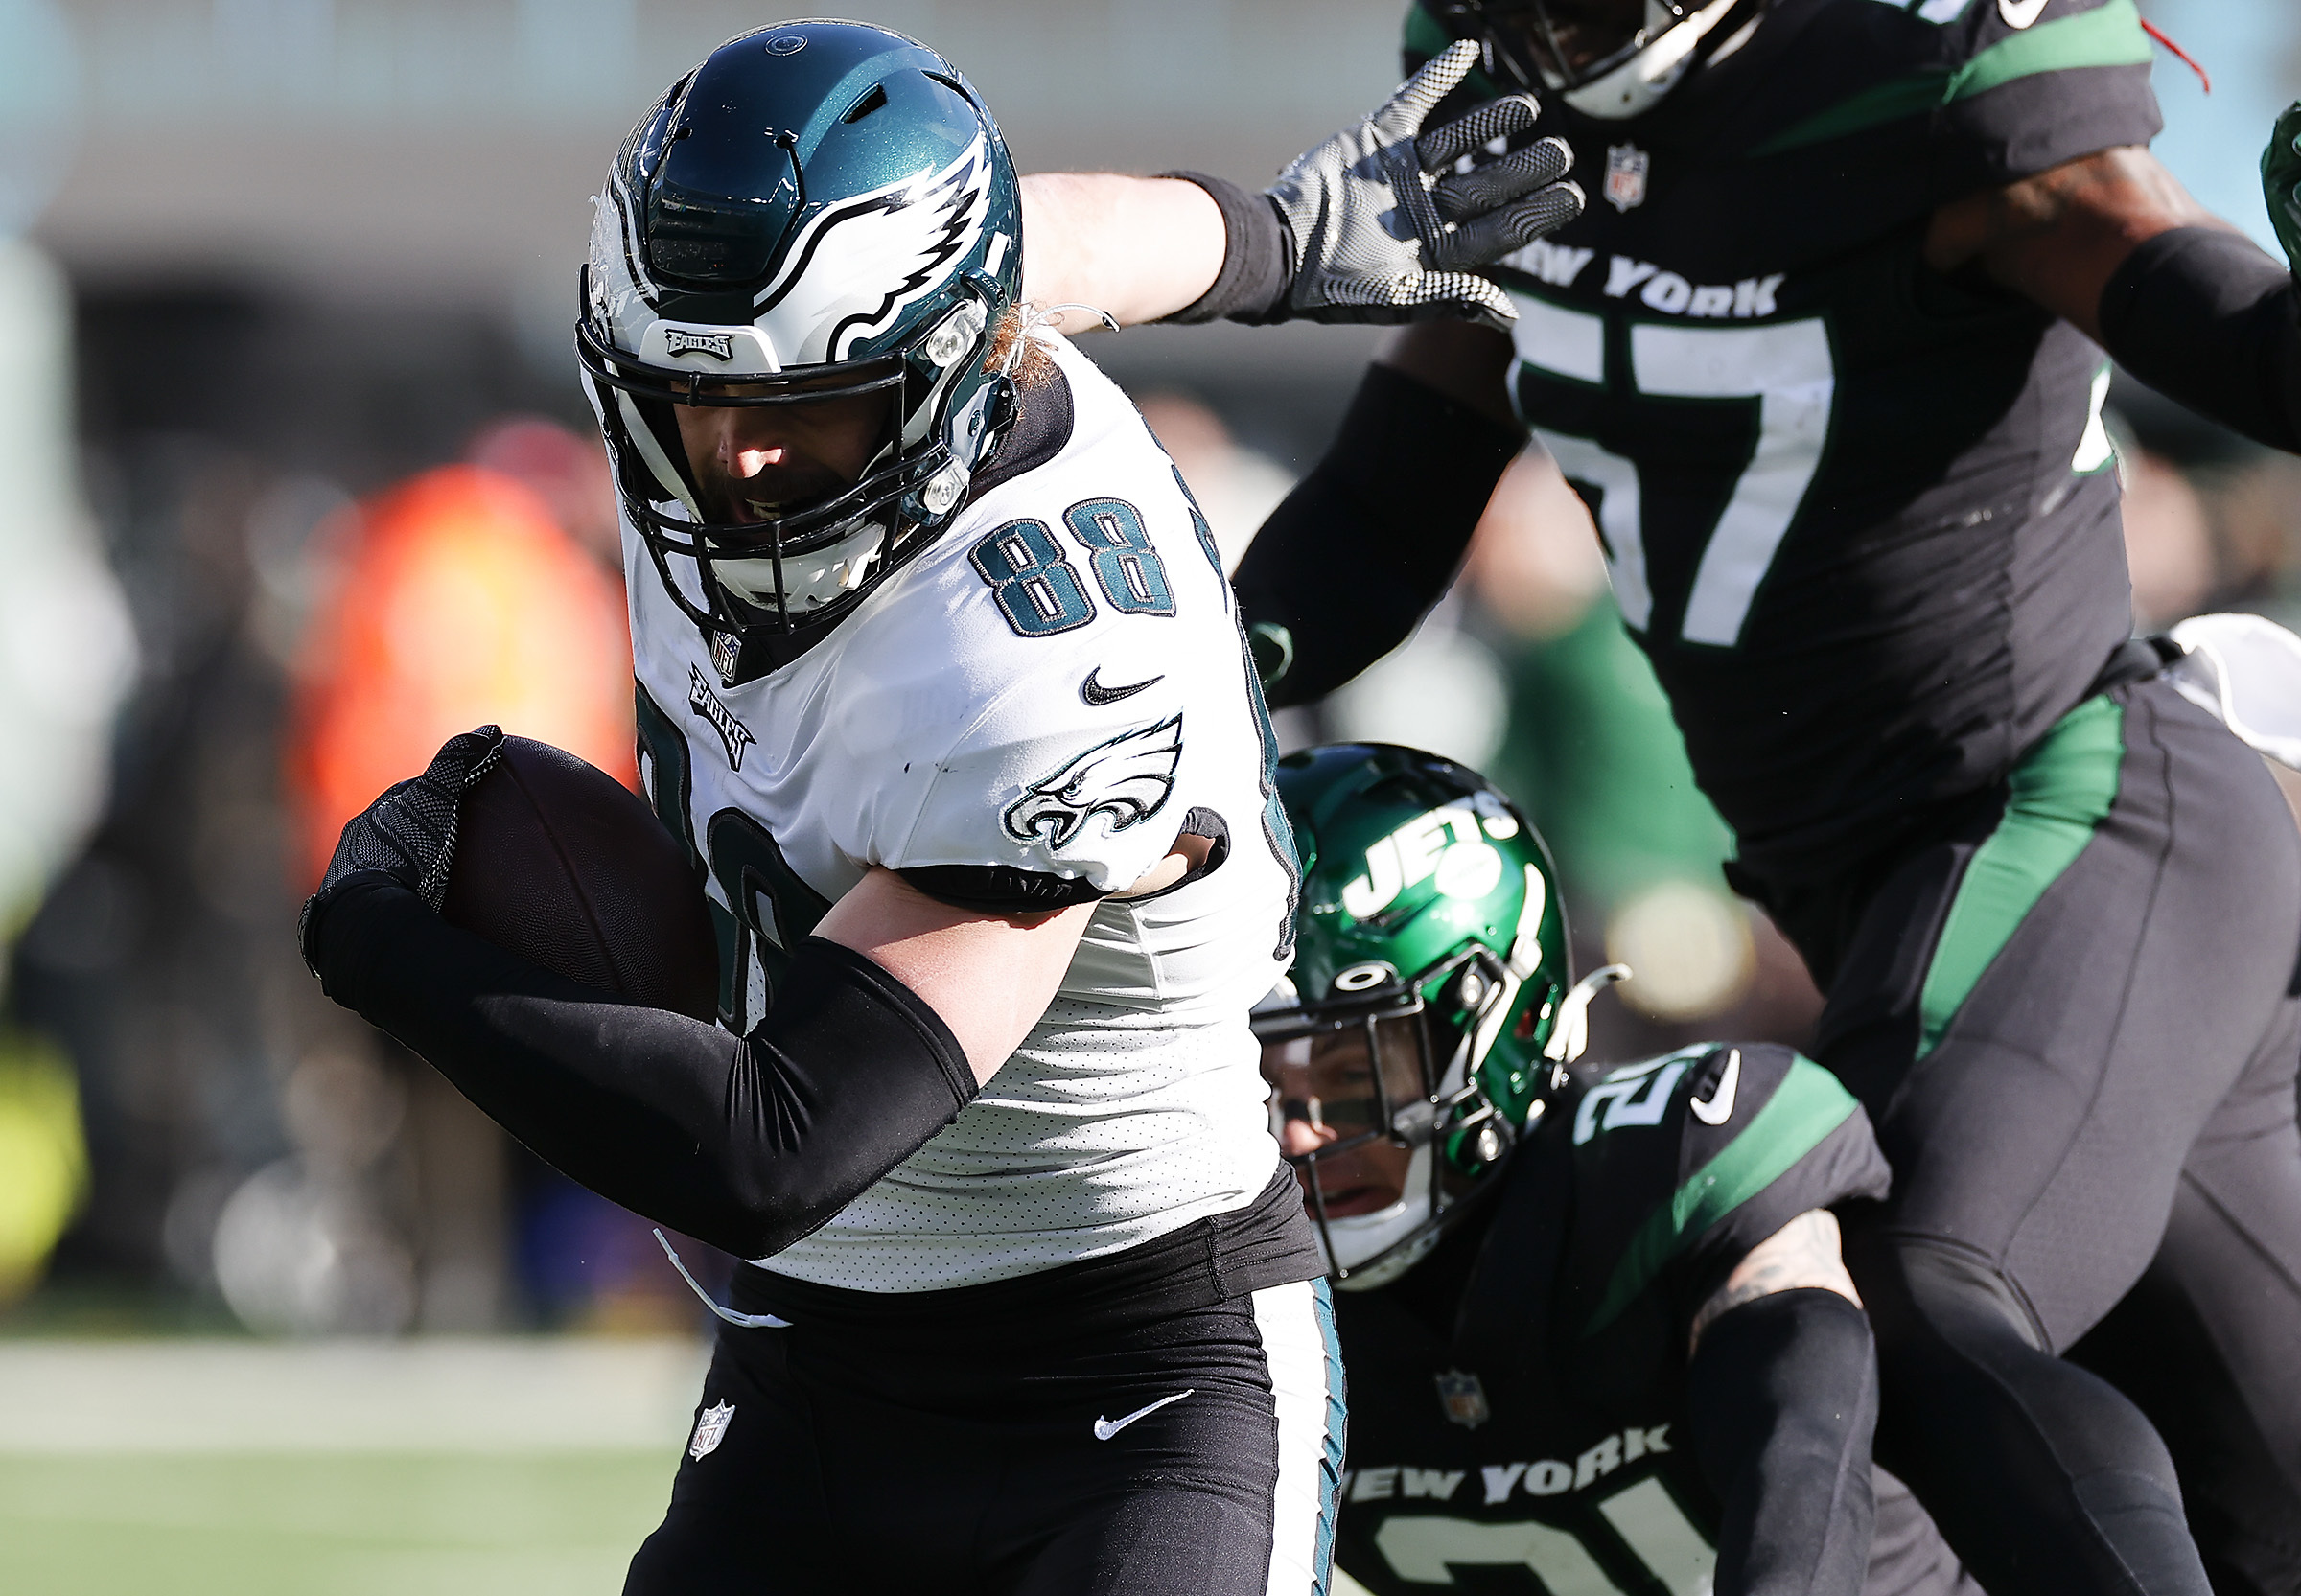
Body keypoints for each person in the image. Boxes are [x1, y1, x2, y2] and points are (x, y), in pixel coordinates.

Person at [1018, 10, 2301, 1594]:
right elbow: (1379, 506)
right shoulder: (1527, 134)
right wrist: (1170, 726)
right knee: (2268, 1508)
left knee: (1920, 1286)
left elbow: (2234, 335)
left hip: (2072, 809)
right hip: (1877, 884)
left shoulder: (1914, 91)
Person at [297, 22, 1341, 1594]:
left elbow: (773, 1148)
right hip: (827, 1362)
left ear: (955, 368)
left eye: (819, 412)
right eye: (699, 410)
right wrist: (1280, 239)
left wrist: (391, 952)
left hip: (1132, 1373)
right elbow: (1058, 232)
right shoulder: (751, 381)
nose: (751, 463)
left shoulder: (1048, 645)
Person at [1255, 740, 1974, 1596]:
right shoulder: (1250, 1299)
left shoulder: (1662, 1162)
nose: (1297, 1134)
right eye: (1257, 1082)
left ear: (1492, 1025)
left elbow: (1803, 1444)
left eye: (1351, 1075)